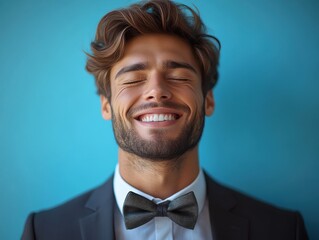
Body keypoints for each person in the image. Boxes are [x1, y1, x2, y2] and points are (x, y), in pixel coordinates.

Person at [21, 0, 309, 239]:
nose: (157, 91)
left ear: (208, 99)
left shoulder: (283, 230)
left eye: (179, 76)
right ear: (106, 105)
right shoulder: (44, 232)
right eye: (133, 79)